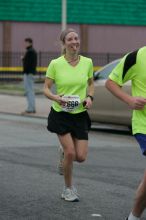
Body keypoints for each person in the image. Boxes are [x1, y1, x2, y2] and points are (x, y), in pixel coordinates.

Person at [44, 28, 94, 202]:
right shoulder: (55, 64)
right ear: (64, 44)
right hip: (61, 113)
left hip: (80, 114)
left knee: (81, 157)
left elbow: (91, 84)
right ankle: (68, 189)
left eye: (76, 38)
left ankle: (63, 154)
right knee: (71, 152)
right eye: (70, 39)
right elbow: (46, 88)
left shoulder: (87, 62)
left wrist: (90, 97)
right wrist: (56, 98)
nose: (74, 42)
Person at [105, 47, 146, 220]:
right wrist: (130, 99)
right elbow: (110, 83)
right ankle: (134, 217)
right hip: (144, 125)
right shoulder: (136, 57)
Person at [21, 38, 37, 114]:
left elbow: (28, 64)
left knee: (29, 91)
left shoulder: (30, 52)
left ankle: (30, 108)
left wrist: (23, 59)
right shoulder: (32, 51)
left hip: (28, 74)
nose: (25, 44)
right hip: (31, 73)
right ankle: (32, 108)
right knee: (30, 91)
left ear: (30, 43)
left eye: (26, 43)